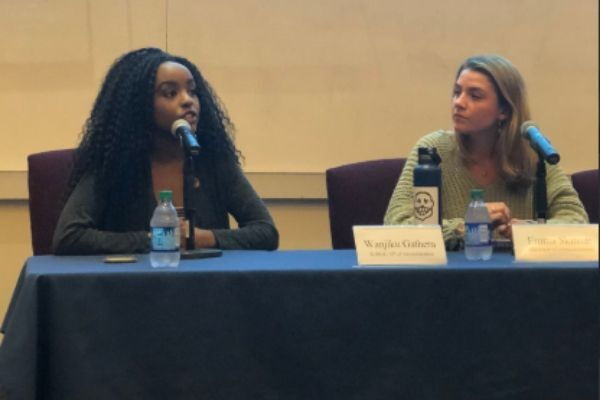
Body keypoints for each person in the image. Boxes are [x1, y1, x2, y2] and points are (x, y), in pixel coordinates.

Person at [53, 47, 279, 254]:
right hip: (132, 288)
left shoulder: (211, 160)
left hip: (208, 289)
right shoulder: (113, 164)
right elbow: (69, 236)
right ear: (139, 107)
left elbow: (266, 232)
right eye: (170, 93)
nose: (187, 101)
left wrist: (205, 238)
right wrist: (158, 239)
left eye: (192, 91)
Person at [384, 54, 588, 249]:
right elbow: (395, 224)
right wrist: (464, 227)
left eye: (475, 95)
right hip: (448, 280)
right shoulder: (433, 151)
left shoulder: (533, 154)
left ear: (504, 110)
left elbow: (577, 220)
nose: (458, 102)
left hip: (522, 279)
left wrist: (531, 233)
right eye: (457, 92)